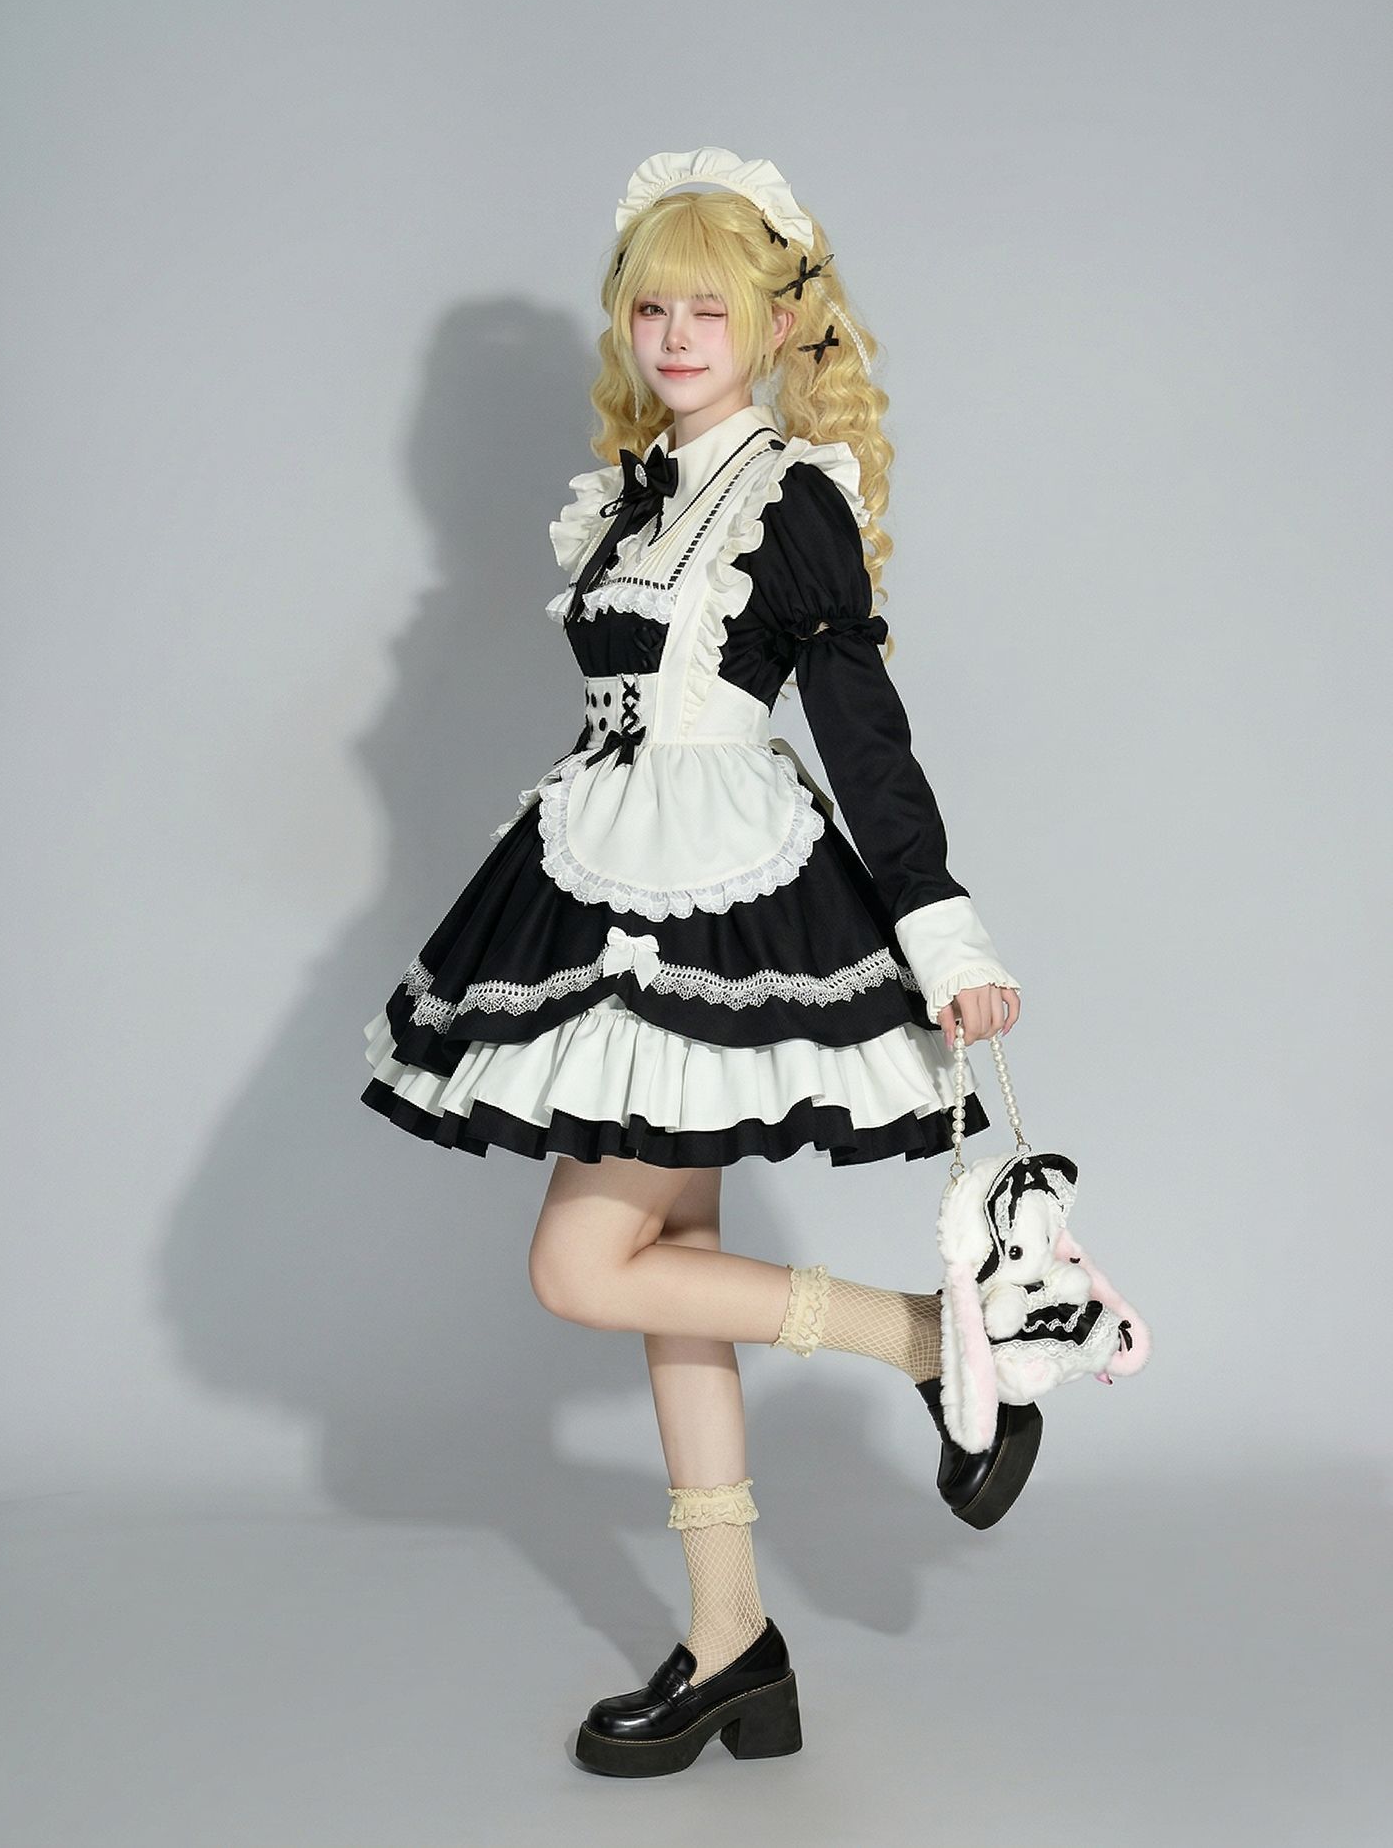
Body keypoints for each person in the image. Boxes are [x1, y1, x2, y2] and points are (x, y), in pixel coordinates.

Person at [360, 146, 1033, 1778]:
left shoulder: (789, 496)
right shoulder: (631, 493)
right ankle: (735, 1644)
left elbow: (862, 731)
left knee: (585, 1265)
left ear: (775, 323)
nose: (673, 336)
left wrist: (943, 928)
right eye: (652, 307)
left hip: (720, 888)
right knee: (675, 1280)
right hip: (600, 874)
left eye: (707, 309)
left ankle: (930, 1342)